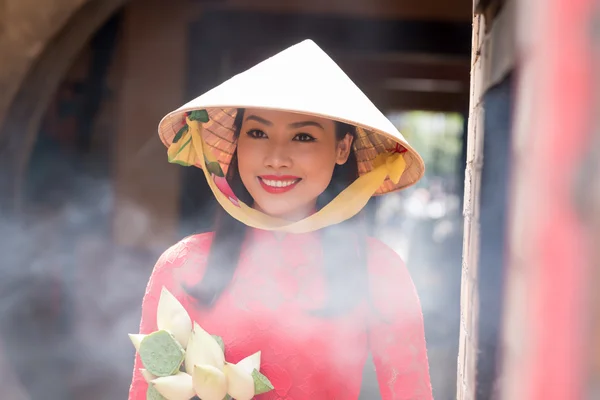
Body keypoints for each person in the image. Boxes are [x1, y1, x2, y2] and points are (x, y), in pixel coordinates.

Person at [128, 40, 432, 399]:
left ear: (342, 148)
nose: (276, 158)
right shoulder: (183, 265)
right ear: (237, 142)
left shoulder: (379, 270)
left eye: (303, 136)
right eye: (257, 133)